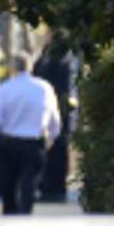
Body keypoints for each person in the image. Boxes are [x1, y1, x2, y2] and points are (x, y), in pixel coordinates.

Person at [0, 53, 62, 215]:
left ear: (13, 68)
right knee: (29, 186)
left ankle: (9, 215)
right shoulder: (44, 88)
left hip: (9, 142)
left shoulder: (6, 88)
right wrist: (50, 139)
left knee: (8, 186)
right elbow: (55, 119)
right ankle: (25, 215)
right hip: (34, 142)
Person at [33, 33, 77, 202]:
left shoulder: (63, 57)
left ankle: (57, 189)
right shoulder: (45, 55)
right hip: (44, 109)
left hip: (59, 109)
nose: (47, 36)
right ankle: (46, 187)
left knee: (58, 149)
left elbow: (64, 83)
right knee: (48, 151)